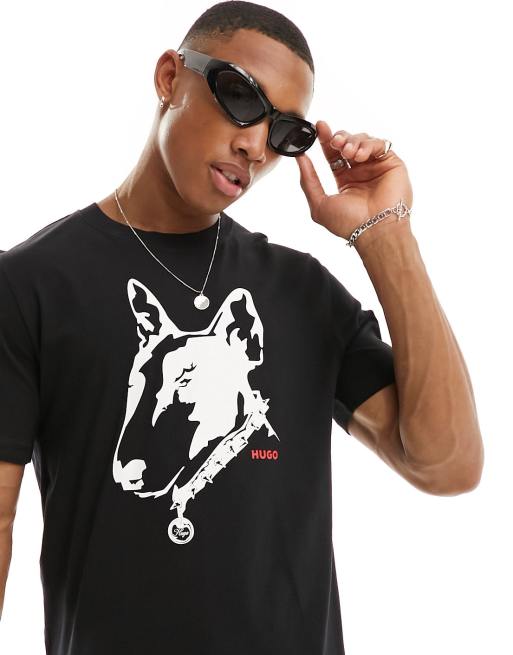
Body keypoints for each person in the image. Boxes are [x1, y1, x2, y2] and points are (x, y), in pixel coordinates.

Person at [0, 2, 484, 654]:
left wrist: (385, 235)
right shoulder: (30, 284)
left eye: (284, 133)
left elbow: (447, 464)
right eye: (239, 98)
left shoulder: (304, 294)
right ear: (169, 78)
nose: (255, 146)